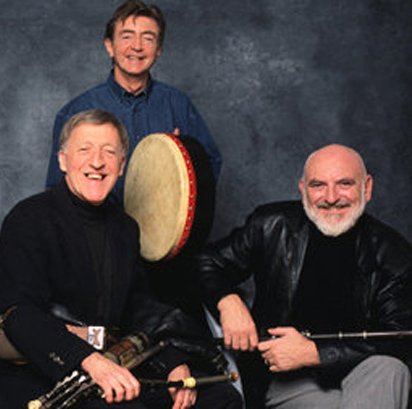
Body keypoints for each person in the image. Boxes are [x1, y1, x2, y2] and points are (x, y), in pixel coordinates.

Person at [0, 110, 242, 409]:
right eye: (84, 149)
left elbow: (135, 307)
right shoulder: (29, 218)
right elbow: (19, 314)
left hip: (113, 361)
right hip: (44, 369)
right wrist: (90, 363)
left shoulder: (125, 228)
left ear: (122, 165)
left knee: (221, 399)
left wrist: (171, 363)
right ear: (62, 160)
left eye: (109, 152)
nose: (97, 162)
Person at [198, 144, 412, 409]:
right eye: (318, 185)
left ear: (366, 187)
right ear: (302, 190)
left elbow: (401, 338)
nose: (331, 197)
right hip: (286, 383)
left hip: (362, 375)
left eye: (344, 183)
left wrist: (316, 354)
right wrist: (228, 300)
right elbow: (206, 262)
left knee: (390, 369)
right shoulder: (270, 224)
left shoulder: (393, 253)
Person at [45, 0, 221, 206]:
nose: (137, 46)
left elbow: (209, 162)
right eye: (127, 36)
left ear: (158, 49)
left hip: (164, 236)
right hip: (98, 234)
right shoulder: (76, 111)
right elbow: (57, 187)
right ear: (110, 46)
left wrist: (179, 211)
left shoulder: (178, 105)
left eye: (148, 38)